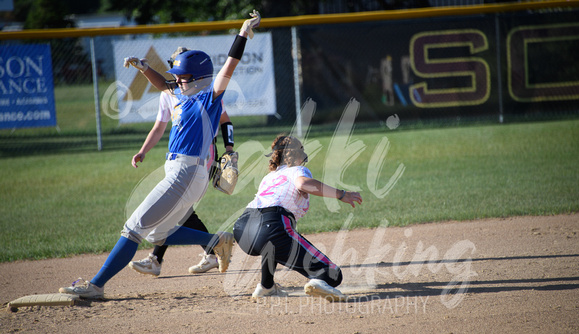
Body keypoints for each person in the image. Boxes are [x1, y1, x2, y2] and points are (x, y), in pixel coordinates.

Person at [59, 10, 261, 299]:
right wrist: (144, 67)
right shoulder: (183, 94)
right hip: (185, 173)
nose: (177, 81)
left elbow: (230, 65)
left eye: (182, 77)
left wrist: (242, 32)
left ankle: (95, 285)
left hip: (186, 173)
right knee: (157, 233)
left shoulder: (209, 97)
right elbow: (163, 85)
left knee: (133, 227)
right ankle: (216, 241)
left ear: (199, 78)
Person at [128, 47, 237, 277]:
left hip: (202, 156)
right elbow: (159, 127)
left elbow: (226, 122)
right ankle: (209, 250)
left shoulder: (206, 92)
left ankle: (158, 259)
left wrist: (229, 150)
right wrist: (143, 150)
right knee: (180, 209)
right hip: (180, 158)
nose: (178, 74)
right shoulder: (169, 93)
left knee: (176, 208)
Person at [232, 134, 363, 302]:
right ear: (292, 154)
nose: (304, 151)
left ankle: (266, 287)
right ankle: (318, 280)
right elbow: (302, 184)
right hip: (272, 224)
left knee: (272, 244)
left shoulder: (269, 177)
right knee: (333, 274)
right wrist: (341, 194)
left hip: (242, 228)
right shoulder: (297, 170)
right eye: (301, 148)